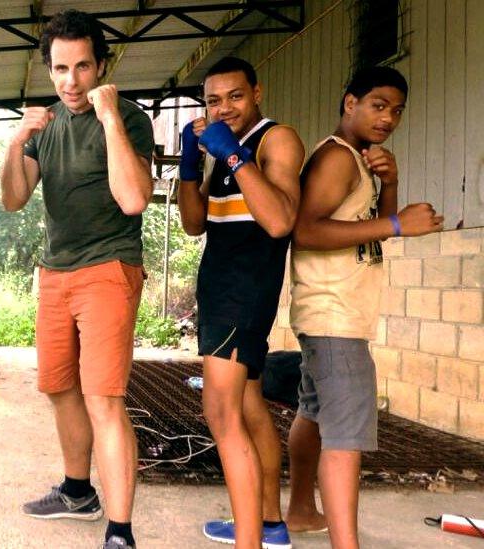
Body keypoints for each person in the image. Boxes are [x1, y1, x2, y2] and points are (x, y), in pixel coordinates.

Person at [0, 9, 154, 549]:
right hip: (55, 272)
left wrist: (110, 118)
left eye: (83, 66)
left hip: (109, 269)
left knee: (103, 398)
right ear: (49, 71)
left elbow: (133, 198)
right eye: (60, 68)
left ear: (102, 66)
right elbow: (14, 198)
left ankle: (120, 530)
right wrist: (17, 140)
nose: (71, 81)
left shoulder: (129, 117)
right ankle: (76, 491)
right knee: (59, 388)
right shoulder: (47, 127)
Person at [284, 66, 441, 549]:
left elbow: (360, 236)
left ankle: (302, 511)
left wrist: (389, 189)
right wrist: (396, 222)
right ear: (349, 102)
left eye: (397, 110)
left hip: (331, 315)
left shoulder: (356, 158)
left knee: (314, 415)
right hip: (333, 316)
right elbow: (306, 232)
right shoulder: (336, 159)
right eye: (378, 105)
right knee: (346, 438)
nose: (389, 118)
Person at [176, 56, 304, 549]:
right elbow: (193, 223)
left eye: (235, 96)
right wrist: (191, 167)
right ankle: (267, 524)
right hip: (222, 287)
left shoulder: (277, 139)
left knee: (221, 413)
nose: (224, 107)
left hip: (243, 293)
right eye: (213, 99)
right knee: (249, 407)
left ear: (257, 92)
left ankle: (248, 539)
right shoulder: (227, 146)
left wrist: (233, 157)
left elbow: (278, 221)